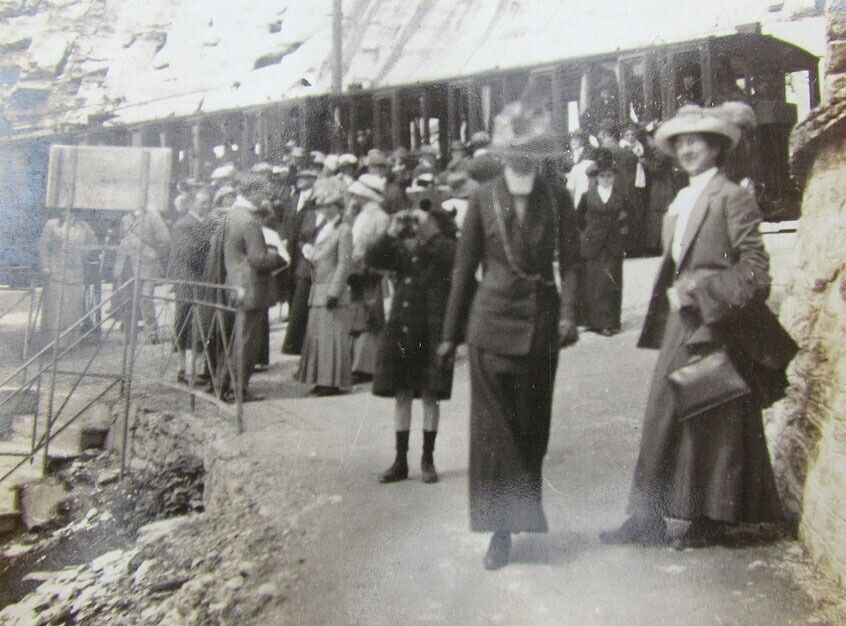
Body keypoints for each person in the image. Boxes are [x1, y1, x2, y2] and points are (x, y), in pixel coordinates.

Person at [600, 103, 796, 549]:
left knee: (710, 421)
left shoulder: (731, 197)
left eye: (697, 141)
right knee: (662, 415)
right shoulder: (682, 198)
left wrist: (696, 293)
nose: (687, 149)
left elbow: (755, 272)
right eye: (680, 142)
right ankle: (647, 517)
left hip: (713, 323)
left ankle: (708, 517)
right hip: (679, 326)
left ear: (716, 147)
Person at [438, 101, 573, 570]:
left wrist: (570, 313)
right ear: (502, 154)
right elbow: (463, 270)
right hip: (490, 326)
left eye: (532, 150)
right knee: (494, 434)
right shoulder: (483, 196)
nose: (523, 159)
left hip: (541, 327)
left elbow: (571, 261)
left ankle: (520, 515)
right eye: (515, 151)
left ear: (541, 154)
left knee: (532, 429)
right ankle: (499, 530)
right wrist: (448, 335)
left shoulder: (556, 196)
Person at [367, 206, 458, 484]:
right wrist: (391, 231)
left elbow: (449, 253)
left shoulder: (444, 246)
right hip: (404, 327)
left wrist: (428, 231)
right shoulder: (404, 248)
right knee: (403, 393)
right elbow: (373, 257)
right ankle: (400, 460)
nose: (416, 225)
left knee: (431, 395)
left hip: (432, 329)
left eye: (423, 220)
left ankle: (427, 458)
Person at [219, 175, 287, 402]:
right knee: (248, 341)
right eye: (263, 194)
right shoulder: (248, 221)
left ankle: (225, 384)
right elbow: (258, 259)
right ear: (253, 193)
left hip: (236, 283)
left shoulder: (231, 214)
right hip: (251, 287)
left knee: (238, 338)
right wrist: (278, 256)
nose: (265, 198)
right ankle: (239, 389)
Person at [296, 178, 354, 395]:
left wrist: (335, 291)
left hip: (330, 289)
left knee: (331, 338)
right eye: (322, 206)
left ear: (337, 207)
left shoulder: (344, 229)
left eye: (327, 205)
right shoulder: (325, 227)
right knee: (319, 336)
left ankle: (330, 382)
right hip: (318, 286)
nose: (323, 209)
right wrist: (311, 253)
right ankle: (321, 379)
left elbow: (344, 263)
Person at [576, 148, 631, 336]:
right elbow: (579, 219)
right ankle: (590, 321)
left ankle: (608, 322)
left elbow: (629, 218)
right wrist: (589, 234)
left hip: (613, 244)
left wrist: (622, 235)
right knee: (591, 282)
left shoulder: (621, 196)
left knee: (610, 283)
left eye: (610, 175)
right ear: (596, 177)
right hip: (592, 244)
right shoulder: (587, 196)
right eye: (603, 176)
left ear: (614, 177)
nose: (607, 179)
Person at [167, 188, 215, 383]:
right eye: (203, 202)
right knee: (184, 323)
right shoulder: (183, 225)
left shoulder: (209, 223)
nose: (207, 206)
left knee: (201, 324)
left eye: (208, 202)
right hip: (188, 280)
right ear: (193, 204)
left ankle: (196, 369)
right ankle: (182, 368)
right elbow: (189, 254)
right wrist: (210, 243)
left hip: (202, 281)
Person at [347, 174, 390, 382]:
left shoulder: (379, 216)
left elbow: (381, 246)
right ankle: (358, 363)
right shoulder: (362, 215)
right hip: (359, 269)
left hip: (369, 270)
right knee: (359, 313)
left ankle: (366, 366)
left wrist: (364, 259)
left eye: (356, 194)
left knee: (369, 315)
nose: (353, 197)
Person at [114, 206, 172, 343]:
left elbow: (165, 241)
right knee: (127, 299)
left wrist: (155, 255)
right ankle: (130, 334)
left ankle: (152, 333)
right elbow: (121, 240)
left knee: (146, 299)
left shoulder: (153, 216)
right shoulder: (125, 218)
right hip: (127, 264)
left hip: (147, 264)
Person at [37, 211, 97, 344]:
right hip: (56, 270)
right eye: (65, 211)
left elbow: (93, 242)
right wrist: (46, 266)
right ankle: (52, 343)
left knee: (73, 308)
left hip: (75, 271)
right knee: (55, 308)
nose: (68, 214)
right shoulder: (52, 225)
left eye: (72, 212)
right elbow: (43, 247)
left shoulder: (82, 226)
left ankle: (70, 343)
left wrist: (82, 255)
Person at [281, 168, 319, 355]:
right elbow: (285, 223)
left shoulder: (317, 200)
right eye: (298, 178)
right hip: (292, 248)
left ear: (312, 179)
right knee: (292, 285)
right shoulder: (293, 199)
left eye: (304, 178)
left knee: (302, 291)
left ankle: (299, 337)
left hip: (306, 249)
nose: (299, 181)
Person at [564, 128, 594, 207]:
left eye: (577, 139)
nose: (573, 142)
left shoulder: (589, 152)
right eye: (572, 139)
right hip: (570, 184)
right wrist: (565, 175)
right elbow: (561, 169)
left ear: (583, 140)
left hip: (584, 184)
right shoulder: (566, 155)